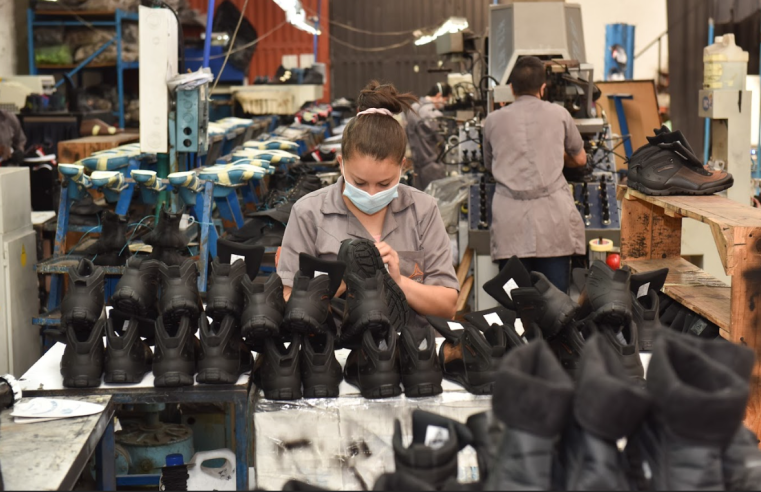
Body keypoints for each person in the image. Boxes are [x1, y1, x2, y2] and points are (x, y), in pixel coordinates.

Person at [277, 81, 459, 337]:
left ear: (402, 167)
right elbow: (288, 303)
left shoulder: (422, 210)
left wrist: (398, 283)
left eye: (384, 183)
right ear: (341, 164)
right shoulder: (309, 213)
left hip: (412, 353)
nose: (371, 193)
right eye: (359, 182)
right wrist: (338, 282)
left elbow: (447, 306)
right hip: (335, 353)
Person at [483, 56, 587, 293]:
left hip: (511, 223)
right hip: (553, 222)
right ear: (543, 87)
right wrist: (556, 154)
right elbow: (580, 159)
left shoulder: (492, 120)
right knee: (556, 304)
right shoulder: (560, 114)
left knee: (517, 305)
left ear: (511, 89)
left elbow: (490, 165)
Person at [405, 82, 452, 190]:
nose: (445, 104)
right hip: (433, 166)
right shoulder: (433, 114)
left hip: (417, 165)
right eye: (446, 100)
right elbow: (442, 139)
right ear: (439, 96)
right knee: (436, 200)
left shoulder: (413, 108)